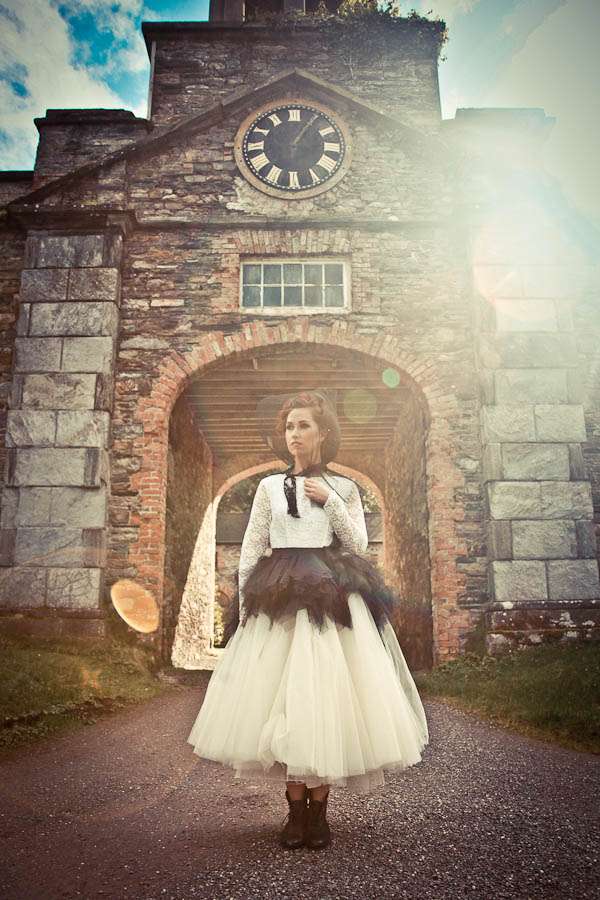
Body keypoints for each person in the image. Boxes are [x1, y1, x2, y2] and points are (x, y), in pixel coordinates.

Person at [186, 390, 429, 850]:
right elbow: (252, 547)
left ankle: (320, 813)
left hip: (329, 597)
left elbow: (358, 545)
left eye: (303, 426)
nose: (294, 434)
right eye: (289, 427)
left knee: (325, 699)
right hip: (278, 595)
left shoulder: (344, 487)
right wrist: (244, 605)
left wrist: (330, 500)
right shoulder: (268, 488)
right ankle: (295, 812)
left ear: (323, 433)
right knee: (282, 701)